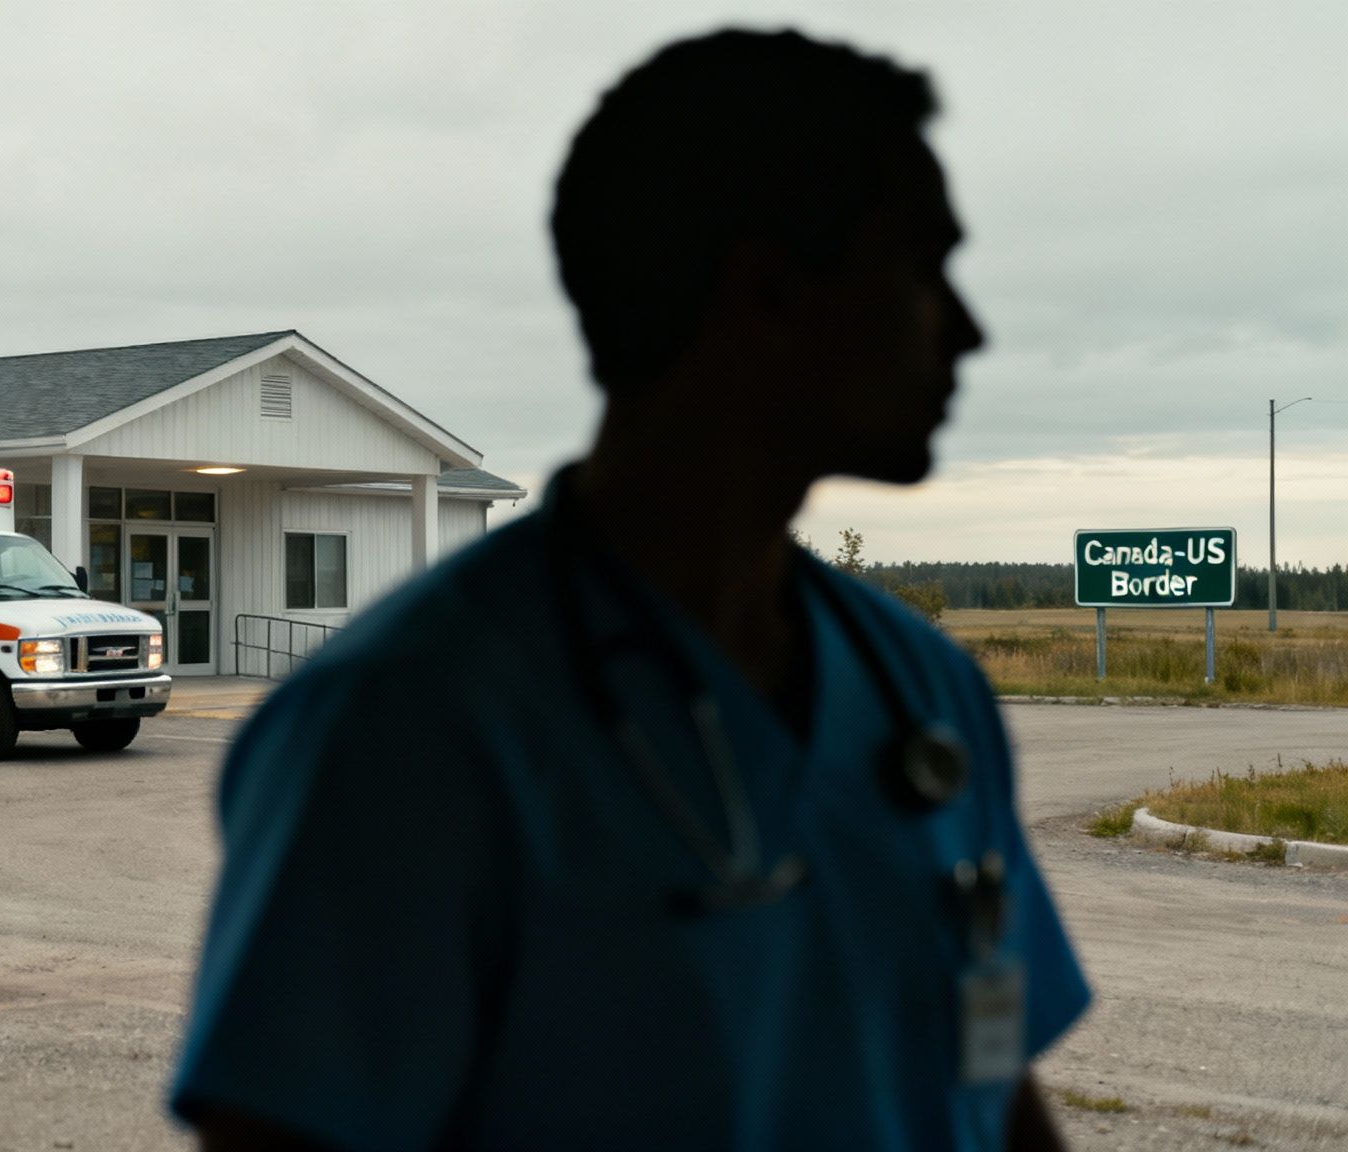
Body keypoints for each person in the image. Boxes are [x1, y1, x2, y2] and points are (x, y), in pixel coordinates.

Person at [169, 27, 1089, 1151]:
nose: (966, 330)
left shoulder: (924, 693)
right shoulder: (401, 734)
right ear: (766, 295)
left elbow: (991, 1087)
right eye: (920, 268)